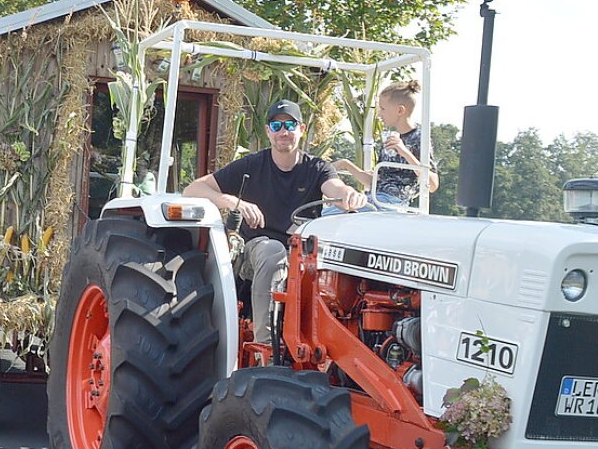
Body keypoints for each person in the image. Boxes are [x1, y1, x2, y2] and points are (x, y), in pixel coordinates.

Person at [183, 100, 365, 344]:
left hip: (302, 256)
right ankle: (265, 349)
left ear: (302, 129)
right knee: (273, 251)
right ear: (268, 130)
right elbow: (193, 189)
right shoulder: (251, 165)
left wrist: (348, 196)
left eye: (290, 124)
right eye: (276, 125)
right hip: (255, 254)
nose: (283, 131)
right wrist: (235, 202)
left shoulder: (317, 168)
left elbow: (336, 189)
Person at [330, 79, 439, 212]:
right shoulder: (389, 137)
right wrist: (346, 165)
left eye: (382, 109)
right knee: (327, 210)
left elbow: (433, 185)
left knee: (332, 215)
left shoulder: (419, 138)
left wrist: (404, 152)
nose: (379, 114)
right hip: (375, 199)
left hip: (392, 205)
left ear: (400, 110)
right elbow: (376, 182)